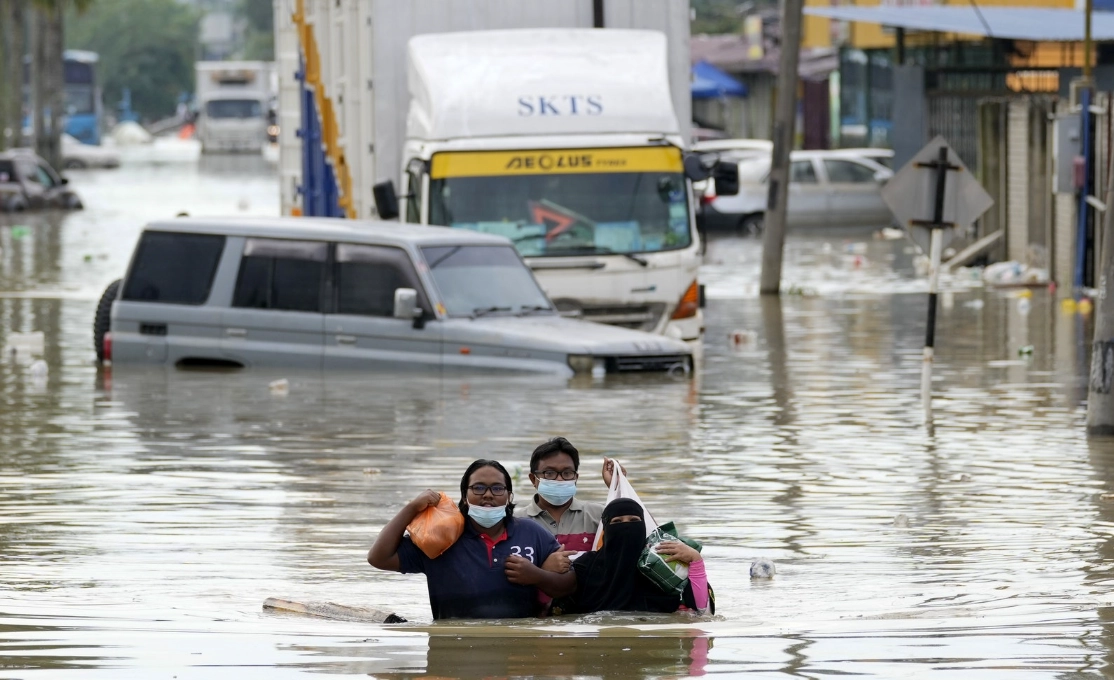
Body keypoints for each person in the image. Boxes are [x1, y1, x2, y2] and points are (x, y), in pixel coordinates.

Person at [367, 459, 575, 620]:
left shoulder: (531, 532)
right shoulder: (441, 537)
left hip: (517, 653)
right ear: (464, 496)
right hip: (453, 653)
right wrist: (412, 508)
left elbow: (570, 585)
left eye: (497, 488)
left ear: (509, 497)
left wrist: (537, 576)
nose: (488, 495)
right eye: (478, 488)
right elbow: (379, 558)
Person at [552, 498, 711, 616]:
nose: (626, 526)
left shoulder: (661, 563)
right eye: (617, 521)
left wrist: (696, 561)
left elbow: (703, 611)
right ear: (606, 529)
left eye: (634, 520)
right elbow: (558, 611)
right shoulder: (586, 566)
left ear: (643, 526)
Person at [518, 437, 622, 572]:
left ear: (576, 478)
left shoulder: (600, 516)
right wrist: (543, 568)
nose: (559, 479)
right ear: (533, 479)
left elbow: (639, 537)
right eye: (549, 473)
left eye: (567, 473)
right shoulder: (516, 522)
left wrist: (619, 489)